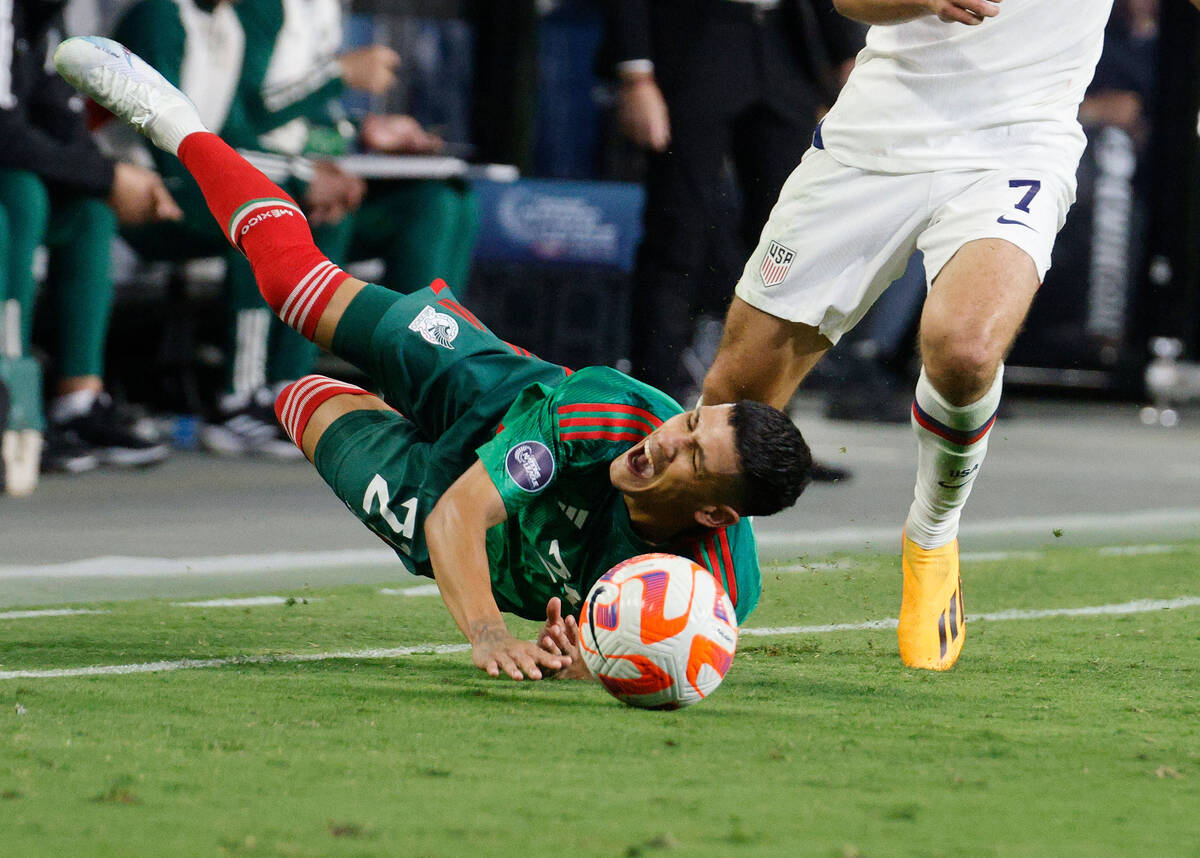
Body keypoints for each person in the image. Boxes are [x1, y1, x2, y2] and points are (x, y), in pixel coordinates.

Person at [55, 35, 813, 680]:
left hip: (496, 536)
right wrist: (489, 635)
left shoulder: (707, 592)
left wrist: (577, 652)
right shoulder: (610, 411)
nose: (667, 438)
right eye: (691, 423)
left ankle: (385, 424)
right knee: (295, 290)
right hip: (486, 394)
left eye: (692, 455)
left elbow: (626, 650)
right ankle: (175, 119)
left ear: (715, 511)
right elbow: (463, 511)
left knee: (301, 400)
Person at [700, 0, 1123, 671]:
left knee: (966, 350)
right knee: (736, 394)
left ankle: (931, 532)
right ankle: (671, 580)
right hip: (878, 136)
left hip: (1020, 143)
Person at [605, 0, 861, 405]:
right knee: (676, 235)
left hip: (784, 43)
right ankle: (649, 413)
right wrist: (635, 73)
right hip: (696, 40)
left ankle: (769, 426)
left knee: (790, 247)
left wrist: (847, 55)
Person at [1, 0, 175, 493]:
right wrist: (107, 174)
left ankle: (77, 401)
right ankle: (13, 399)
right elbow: (4, 133)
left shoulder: (49, 14)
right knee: (21, 196)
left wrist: (108, 182)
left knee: (88, 213)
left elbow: (61, 120)